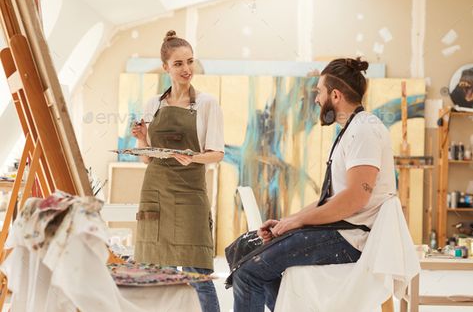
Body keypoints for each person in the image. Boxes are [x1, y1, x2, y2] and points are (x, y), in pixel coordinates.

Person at [231, 57, 396, 312]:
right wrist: (287, 221)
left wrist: (297, 222)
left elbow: (355, 199)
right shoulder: (351, 129)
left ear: (336, 95)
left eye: (319, 91)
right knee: (244, 248)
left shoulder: (365, 130)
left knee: (248, 273)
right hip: (342, 230)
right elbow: (329, 200)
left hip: (351, 238)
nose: (317, 99)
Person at [131, 30, 224, 312]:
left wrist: (193, 158)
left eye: (190, 62)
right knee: (163, 275)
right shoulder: (153, 104)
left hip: (190, 192)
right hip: (156, 191)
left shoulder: (207, 103)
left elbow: (217, 153)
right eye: (179, 64)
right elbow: (147, 160)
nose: (186, 69)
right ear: (166, 68)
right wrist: (140, 139)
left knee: (199, 275)